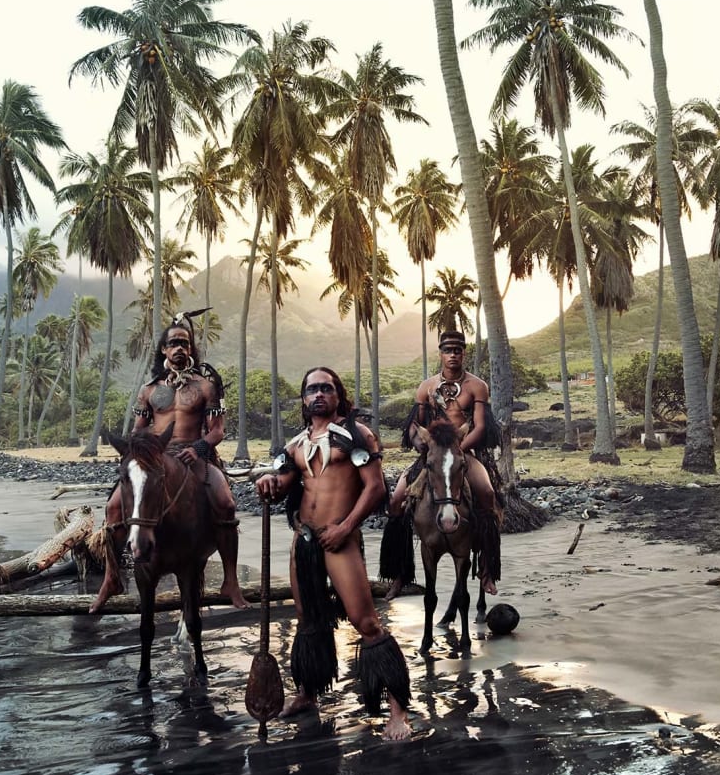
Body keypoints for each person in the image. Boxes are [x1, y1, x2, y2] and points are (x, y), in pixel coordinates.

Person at [255, 367, 412, 742]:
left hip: (338, 538)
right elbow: (282, 485)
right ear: (304, 399)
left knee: (366, 622)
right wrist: (268, 484)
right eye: (312, 389)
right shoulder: (295, 445)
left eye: (326, 388)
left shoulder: (356, 437)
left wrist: (345, 527)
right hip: (304, 541)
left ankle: (398, 712)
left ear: (338, 395)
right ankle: (308, 694)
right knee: (307, 619)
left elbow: (375, 489)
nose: (319, 395)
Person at [89, 313, 248, 613]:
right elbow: (138, 431)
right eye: (173, 343)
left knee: (225, 503)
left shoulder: (206, 386)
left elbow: (218, 431)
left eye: (184, 343)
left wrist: (200, 447)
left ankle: (230, 579)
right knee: (112, 508)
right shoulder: (149, 390)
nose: (179, 348)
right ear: (163, 349)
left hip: (194, 455)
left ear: (190, 349)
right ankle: (111, 578)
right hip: (156, 457)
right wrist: (141, 451)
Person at [380, 330, 502, 599]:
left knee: (488, 495)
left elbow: (480, 427)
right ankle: (400, 573)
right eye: (448, 350)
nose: (453, 354)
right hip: (432, 454)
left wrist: (459, 448)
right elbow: (415, 425)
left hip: (463, 451)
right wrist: (419, 443)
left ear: (464, 353)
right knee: (396, 501)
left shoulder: (477, 386)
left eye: (458, 349)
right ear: (441, 354)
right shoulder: (426, 387)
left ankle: (487, 568)